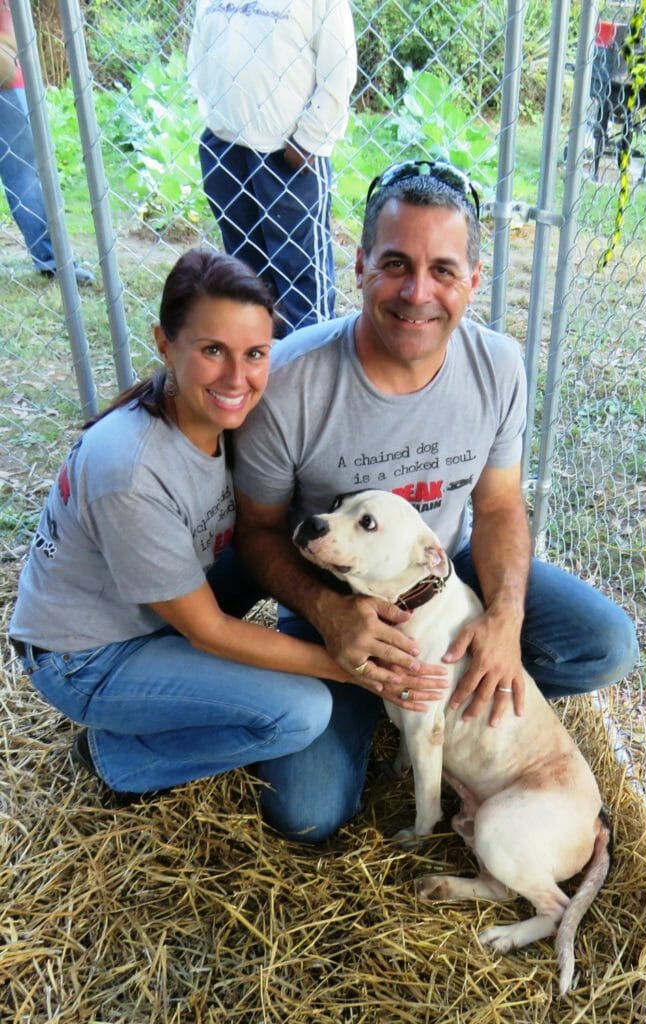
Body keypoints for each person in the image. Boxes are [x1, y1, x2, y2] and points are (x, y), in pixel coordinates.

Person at [233, 159, 640, 843]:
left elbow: (501, 507)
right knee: (305, 811)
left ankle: (452, 719)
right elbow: (257, 531)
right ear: (359, 265)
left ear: (472, 282)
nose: (417, 292)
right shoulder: (294, 382)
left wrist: (504, 621)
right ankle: (384, 711)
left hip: (446, 576)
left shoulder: (497, 366)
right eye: (394, 264)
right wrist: (332, 615)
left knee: (601, 645)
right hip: (335, 601)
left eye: (443, 270)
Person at [9, 247, 446, 808]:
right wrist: (355, 669)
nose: (238, 378)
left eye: (256, 353)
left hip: (163, 600)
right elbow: (208, 631)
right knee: (301, 712)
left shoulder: (219, 415)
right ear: (165, 344)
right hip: (90, 657)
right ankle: (118, 758)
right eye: (212, 350)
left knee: (279, 545)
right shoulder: (132, 471)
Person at [187, 0, 356, 334]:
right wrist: (216, 119)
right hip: (225, 145)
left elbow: (340, 69)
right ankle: (262, 352)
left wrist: (309, 138)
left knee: (300, 272)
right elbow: (200, 52)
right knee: (244, 264)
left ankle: (312, 358)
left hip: (289, 154)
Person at [0, 2, 93, 284]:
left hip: (7, 80)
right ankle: (52, 259)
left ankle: (52, 258)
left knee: (24, 175)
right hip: (7, 82)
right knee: (24, 176)